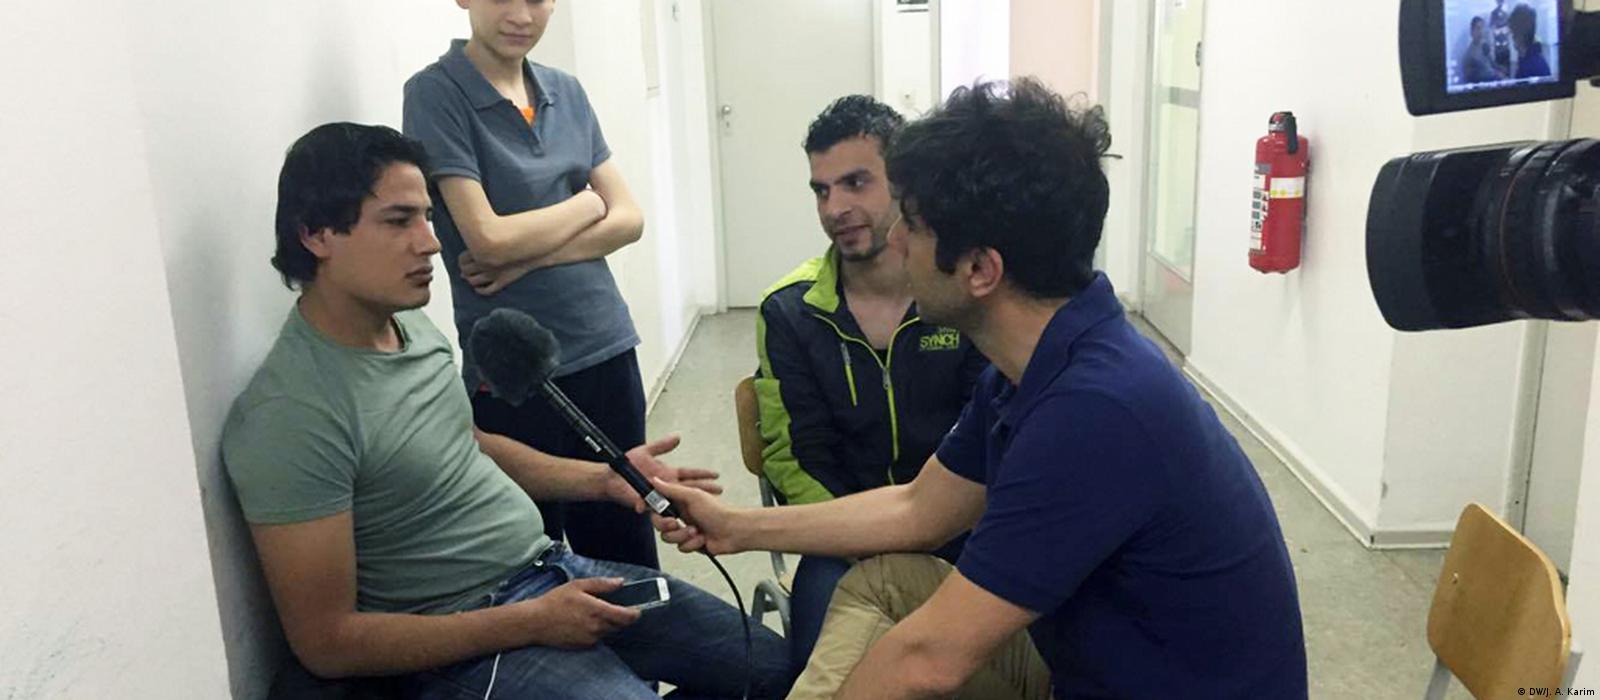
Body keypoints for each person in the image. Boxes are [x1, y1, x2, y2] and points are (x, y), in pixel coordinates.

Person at [653, 79, 1308, 699]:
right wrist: (737, 526)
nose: (895, 240)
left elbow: (929, 660)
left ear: (978, 269)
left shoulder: (1094, 412)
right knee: (884, 584)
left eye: (913, 224)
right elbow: (918, 509)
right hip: (1082, 668)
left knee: (912, 650)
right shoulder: (1033, 364)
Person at [223, 123, 792, 699]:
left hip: (551, 571)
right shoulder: (289, 414)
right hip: (468, 637)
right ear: (315, 235)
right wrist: (531, 621)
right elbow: (327, 643)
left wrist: (605, 479)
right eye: (399, 221)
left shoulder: (408, 325)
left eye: (427, 217)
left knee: (778, 671)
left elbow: (467, 443)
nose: (431, 242)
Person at [403, 0, 660, 569]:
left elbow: (629, 220)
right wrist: (586, 204)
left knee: (625, 538)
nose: (522, 14)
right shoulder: (436, 94)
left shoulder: (566, 91)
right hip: (513, 368)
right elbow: (488, 239)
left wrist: (528, 260)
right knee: (529, 551)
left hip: (605, 343)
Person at [755, 95, 988, 672]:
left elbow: (990, 437)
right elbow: (794, 457)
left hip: (964, 527)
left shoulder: (958, 293)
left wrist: (929, 523)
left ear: (905, 186)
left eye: (856, 183)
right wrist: (863, 534)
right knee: (819, 669)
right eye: (821, 190)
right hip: (843, 539)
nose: (836, 208)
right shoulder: (790, 311)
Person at [1510, 3, 1553, 79]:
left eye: (1513, 32)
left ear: (1519, 34)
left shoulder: (1530, 68)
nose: (1512, 37)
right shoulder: (1531, 59)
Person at [1462, 16, 1505, 84]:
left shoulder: (1484, 45)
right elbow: (1483, 72)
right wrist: (1497, 74)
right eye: (1478, 28)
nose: (1481, 31)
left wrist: (1501, 68)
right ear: (1472, 31)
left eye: (1482, 28)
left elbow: (1492, 63)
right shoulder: (1470, 54)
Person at [1491, 0, 1514, 75]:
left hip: (1505, 46)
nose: (1500, 3)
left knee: (1507, 68)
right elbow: (1492, 27)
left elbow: (1509, 28)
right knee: (1498, 68)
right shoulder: (1493, 13)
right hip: (1498, 46)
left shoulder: (1506, 14)